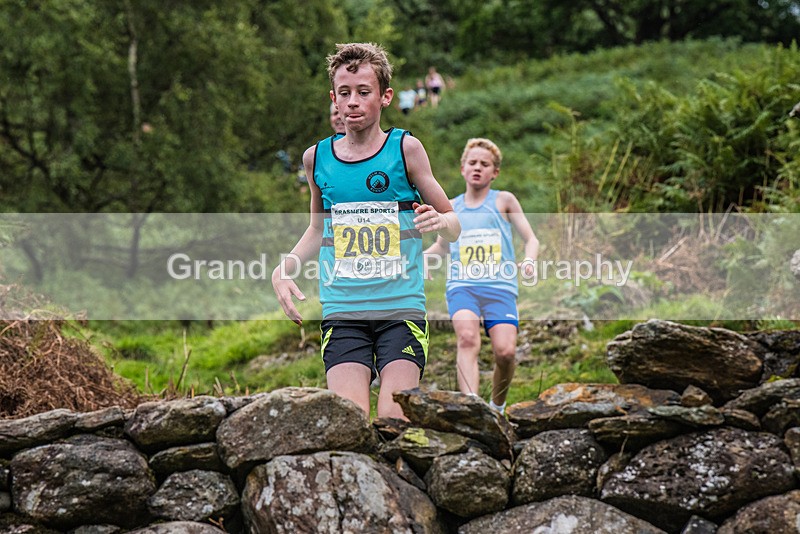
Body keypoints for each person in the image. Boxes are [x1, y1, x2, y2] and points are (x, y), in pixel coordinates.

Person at [272, 42, 460, 420]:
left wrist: (440, 222)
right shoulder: (316, 158)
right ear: (334, 99)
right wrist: (285, 267)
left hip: (401, 307)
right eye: (344, 93)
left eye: (363, 92)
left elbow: (454, 223)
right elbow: (317, 229)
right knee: (350, 423)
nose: (353, 102)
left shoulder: (405, 149)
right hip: (343, 309)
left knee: (394, 421)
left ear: (385, 97)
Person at [424, 138, 539, 414]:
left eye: (484, 164)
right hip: (463, 287)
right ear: (462, 168)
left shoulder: (504, 201)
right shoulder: (451, 208)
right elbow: (442, 247)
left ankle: (497, 407)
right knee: (467, 338)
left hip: (500, 288)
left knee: (505, 352)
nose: (477, 168)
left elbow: (531, 239)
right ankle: (472, 409)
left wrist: (529, 260)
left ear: (495, 172)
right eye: (472, 163)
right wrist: (422, 259)